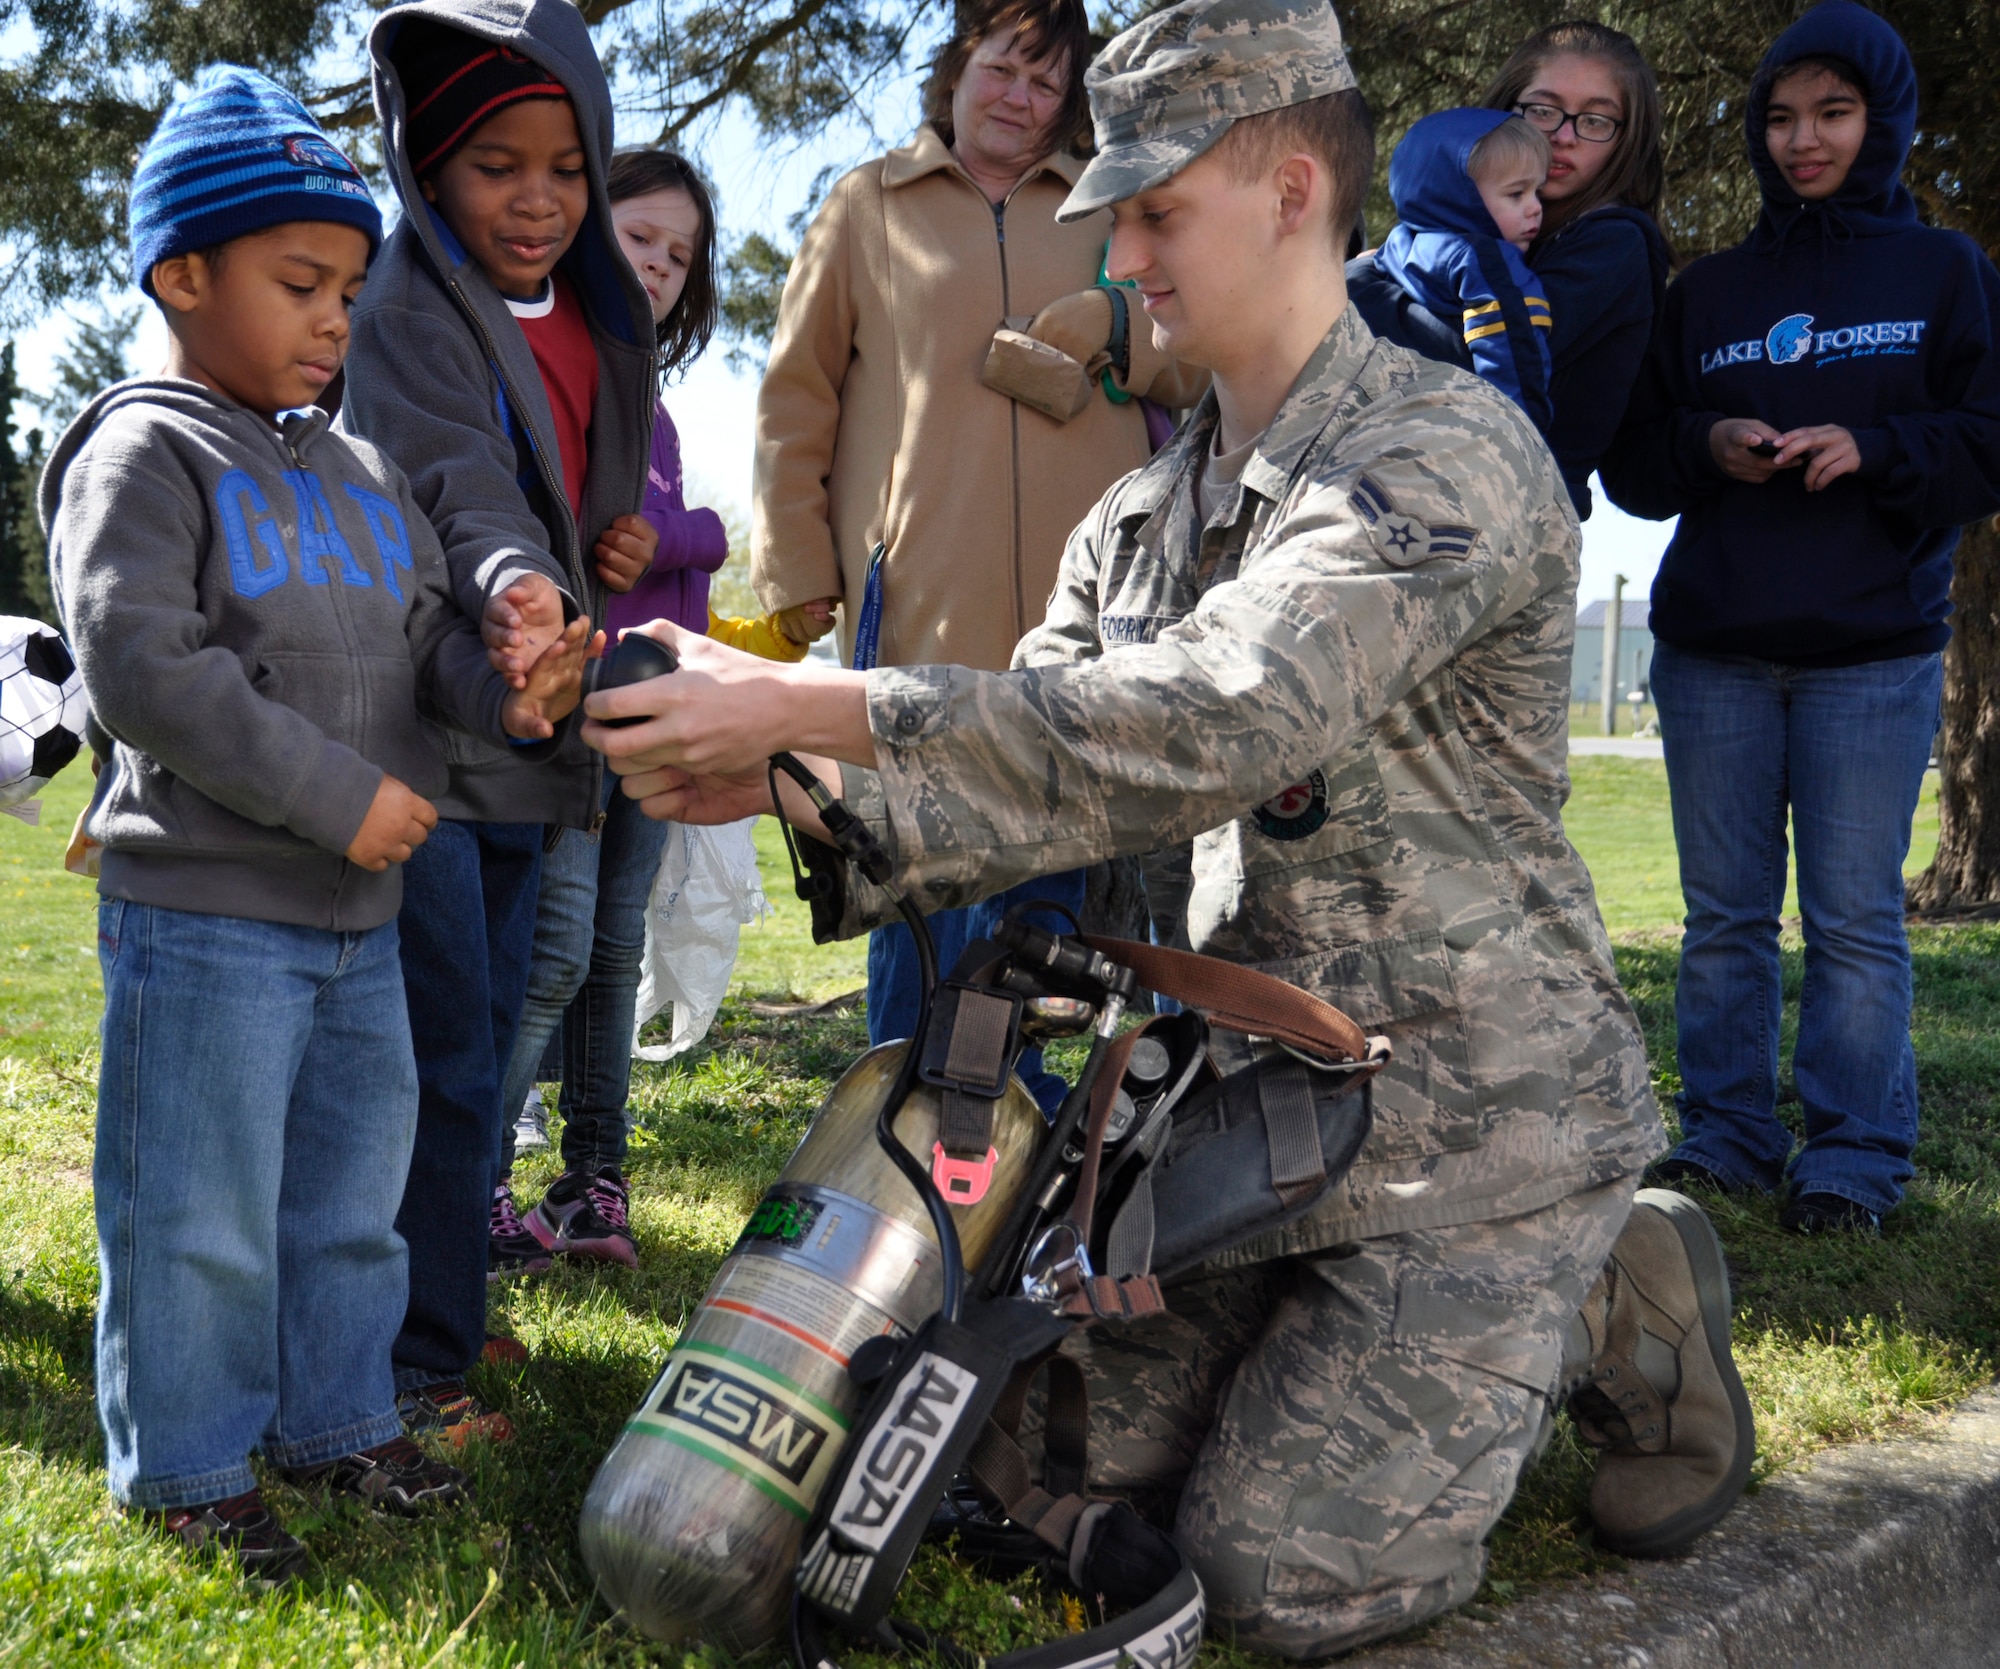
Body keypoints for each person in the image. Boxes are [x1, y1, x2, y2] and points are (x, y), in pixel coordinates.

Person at [583, 0, 1755, 1651]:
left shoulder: (1445, 456)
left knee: (1280, 1580)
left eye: (1153, 210)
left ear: (1289, 187)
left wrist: (808, 705)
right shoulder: (1138, 518)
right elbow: (1036, 776)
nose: (1117, 252)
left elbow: (1224, 714)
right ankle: (1349, 1348)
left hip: (1468, 1126)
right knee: (999, 1465)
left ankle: (1607, 1299)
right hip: (1241, 1134)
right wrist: (770, 779)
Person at [43, 68, 592, 1580]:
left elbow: (430, 650)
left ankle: (343, 1419)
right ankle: (195, 1464)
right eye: (300, 284)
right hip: (212, 913)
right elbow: (146, 668)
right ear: (182, 275)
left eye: (349, 286)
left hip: (357, 929)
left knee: (353, 1198)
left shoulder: (361, 471)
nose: (337, 317)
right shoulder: (142, 454)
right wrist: (336, 794)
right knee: (200, 1206)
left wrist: (513, 696)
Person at [748, 0, 1208, 1111]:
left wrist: (1121, 329)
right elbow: (792, 398)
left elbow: (1201, 361)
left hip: (1089, 618)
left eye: (1047, 83)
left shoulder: (1110, 203)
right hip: (918, 596)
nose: (1020, 99)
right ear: (955, 72)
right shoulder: (865, 204)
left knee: (1047, 868)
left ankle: (1020, 1123)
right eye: (1002, 69)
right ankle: (899, 1113)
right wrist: (791, 564)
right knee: (913, 862)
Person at [1601, 1, 2000, 1235]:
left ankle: (1853, 1159)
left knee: (1851, 920)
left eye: (1830, 113)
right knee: (1723, 920)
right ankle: (1723, 1136)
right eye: (1777, 117)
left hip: (1869, 657)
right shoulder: (1709, 289)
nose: (1800, 140)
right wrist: (1708, 441)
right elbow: (1632, 462)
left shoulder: (1944, 273)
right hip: (1713, 649)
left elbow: (1985, 446)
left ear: (1880, 119)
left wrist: (1872, 446)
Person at [339, 0, 659, 1438]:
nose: (536, 201)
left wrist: (600, 541)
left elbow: (563, 472)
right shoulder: (408, 307)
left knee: (479, 1053)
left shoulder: (595, 305)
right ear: (422, 167)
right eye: (491, 166)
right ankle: (406, 1372)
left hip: (533, 737)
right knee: (438, 1052)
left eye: (567, 165)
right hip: (431, 719)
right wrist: (527, 576)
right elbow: (458, 483)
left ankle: (443, 1309)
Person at [490, 148, 814, 1272]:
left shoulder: (656, 415)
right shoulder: (537, 373)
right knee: (554, 954)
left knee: (614, 948)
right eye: (641, 240)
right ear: (583, 231)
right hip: (573, 716)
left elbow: (677, 563)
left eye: (681, 253)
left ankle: (593, 1186)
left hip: (653, 714)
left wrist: (691, 537)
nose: (663, 266)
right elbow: (575, 543)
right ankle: (477, 1183)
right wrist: (668, 543)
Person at [1350, 23, 1671, 519]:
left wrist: (1357, 289)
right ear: (1503, 111)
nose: (1563, 137)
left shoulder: (1614, 244)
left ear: (1627, 138)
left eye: (1595, 120)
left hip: (1513, 513)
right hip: (1404, 487)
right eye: (1542, 111)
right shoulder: (1481, 237)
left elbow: (1479, 349)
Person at [1362, 109, 1554, 431]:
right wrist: (1521, 434)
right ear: (1458, 197)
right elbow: (1514, 352)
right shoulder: (1488, 261)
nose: (1535, 207)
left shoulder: (1401, 241)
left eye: (1538, 191)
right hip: (1480, 431)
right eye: (1516, 194)